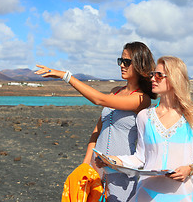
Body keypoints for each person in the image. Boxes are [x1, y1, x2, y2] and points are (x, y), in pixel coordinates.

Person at [35, 41, 157, 201]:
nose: (122, 65)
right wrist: (86, 164)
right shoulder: (115, 92)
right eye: (121, 61)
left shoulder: (142, 99)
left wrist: (66, 76)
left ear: (140, 64)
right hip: (96, 170)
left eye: (127, 62)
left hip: (120, 173)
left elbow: (99, 99)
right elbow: (97, 131)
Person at [109, 56, 193, 202]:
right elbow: (140, 158)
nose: (153, 79)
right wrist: (112, 160)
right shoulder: (144, 116)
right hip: (148, 196)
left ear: (174, 79)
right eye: (152, 75)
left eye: (159, 75)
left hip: (185, 196)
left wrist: (189, 169)